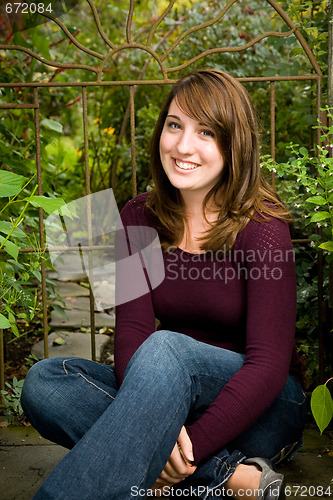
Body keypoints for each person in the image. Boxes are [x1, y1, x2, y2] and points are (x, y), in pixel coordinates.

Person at [21, 69, 307, 500]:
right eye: (175, 125)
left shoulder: (263, 224)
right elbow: (132, 332)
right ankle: (230, 477)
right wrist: (160, 426)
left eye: (206, 132)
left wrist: (183, 448)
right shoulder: (137, 215)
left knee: (165, 346)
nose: (182, 145)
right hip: (163, 395)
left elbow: (268, 366)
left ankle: (163, 465)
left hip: (262, 406)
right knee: (45, 381)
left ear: (235, 145)